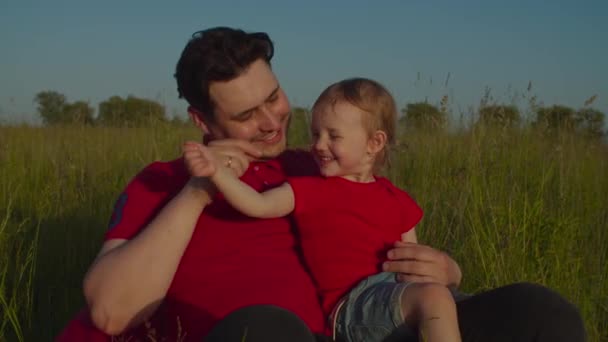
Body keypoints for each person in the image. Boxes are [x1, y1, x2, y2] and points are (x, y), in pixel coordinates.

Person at [57, 27, 586, 342]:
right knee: (265, 329)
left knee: (538, 311)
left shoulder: (321, 162)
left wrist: (446, 269)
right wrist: (200, 191)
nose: (272, 121)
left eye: (275, 96)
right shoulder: (165, 181)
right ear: (202, 120)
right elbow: (110, 309)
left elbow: (386, 236)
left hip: (373, 327)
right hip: (270, 336)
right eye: (247, 113)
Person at [183, 77, 462, 342]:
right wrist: (218, 174)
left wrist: (438, 279)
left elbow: (412, 262)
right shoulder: (311, 189)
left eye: (333, 136)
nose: (318, 145)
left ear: (374, 143)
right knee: (435, 300)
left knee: (456, 301)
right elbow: (257, 204)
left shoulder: (396, 198)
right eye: (316, 134)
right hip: (353, 306)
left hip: (397, 293)